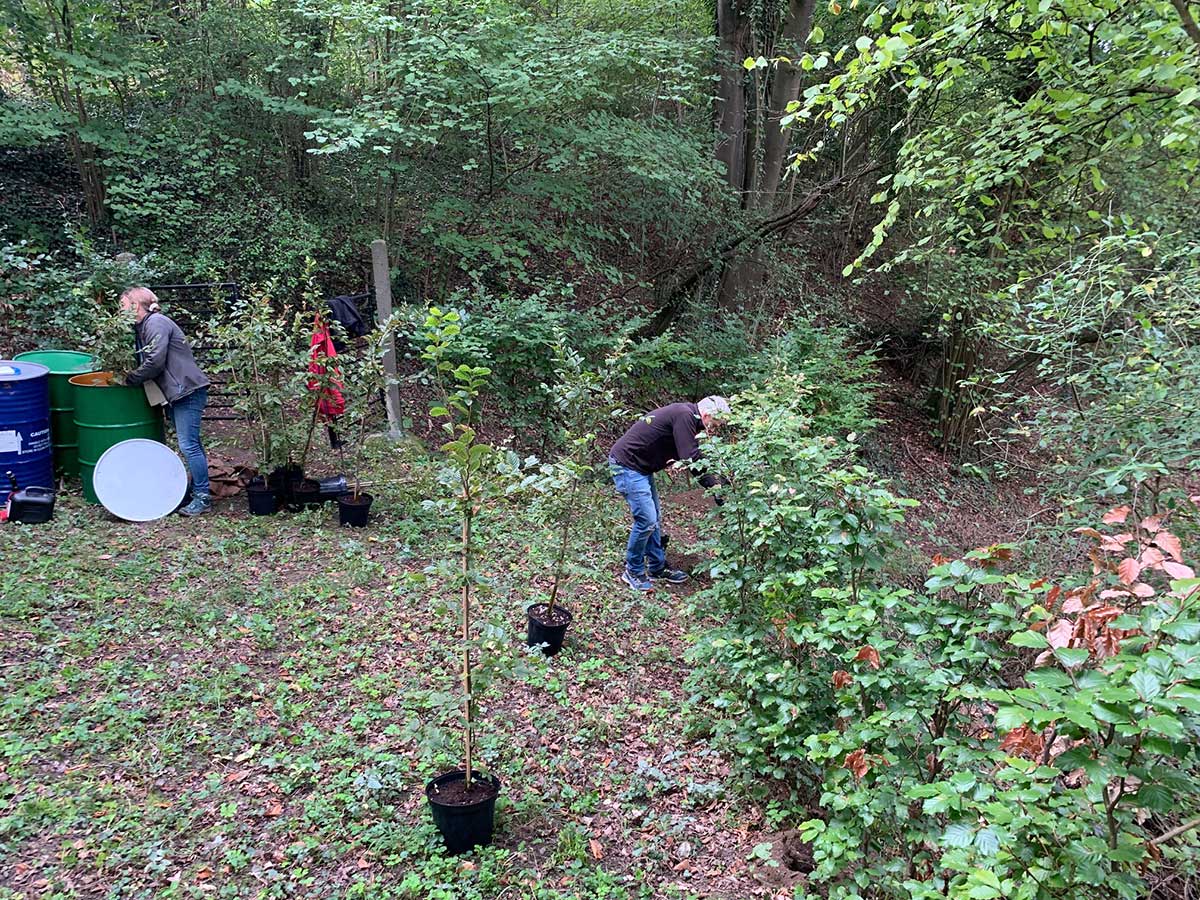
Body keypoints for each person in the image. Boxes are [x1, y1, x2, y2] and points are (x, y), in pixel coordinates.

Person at [608, 395, 730, 591]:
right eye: (715, 423)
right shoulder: (685, 416)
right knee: (646, 520)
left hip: (641, 468)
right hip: (627, 464)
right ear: (706, 414)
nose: (714, 428)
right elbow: (690, 458)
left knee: (654, 519)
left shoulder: (688, 417)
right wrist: (712, 485)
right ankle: (633, 570)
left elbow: (694, 455)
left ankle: (657, 567)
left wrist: (718, 480)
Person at [120, 286, 213, 517]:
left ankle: (202, 497)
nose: (121, 311)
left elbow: (155, 361)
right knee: (191, 444)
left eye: (123, 306)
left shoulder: (156, 322)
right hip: (179, 391)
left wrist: (130, 378)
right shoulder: (145, 326)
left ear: (135, 305)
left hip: (187, 391)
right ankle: (197, 490)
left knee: (188, 445)